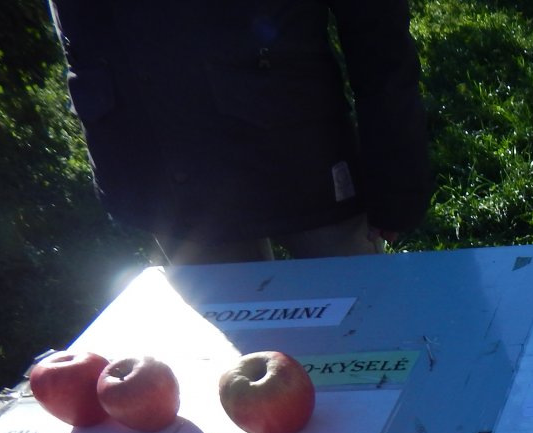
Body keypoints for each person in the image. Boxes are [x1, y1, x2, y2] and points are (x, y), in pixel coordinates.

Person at [48, 1, 432, 264]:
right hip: (166, 177)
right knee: (226, 351)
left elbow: (379, 40)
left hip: (302, 155)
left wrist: (397, 182)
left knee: (361, 330)